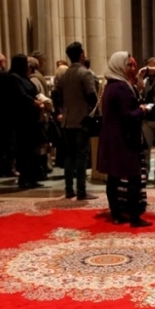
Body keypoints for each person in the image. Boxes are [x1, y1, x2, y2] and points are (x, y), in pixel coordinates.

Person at [98, 52, 154, 227]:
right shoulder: (121, 87)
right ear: (119, 66)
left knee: (113, 177)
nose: (133, 68)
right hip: (123, 139)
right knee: (134, 177)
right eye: (128, 65)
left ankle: (116, 214)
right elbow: (128, 115)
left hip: (111, 137)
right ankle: (135, 217)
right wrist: (143, 110)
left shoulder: (110, 85)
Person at [51, 41, 98, 200]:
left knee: (69, 156)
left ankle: (69, 190)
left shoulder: (64, 74)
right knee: (82, 156)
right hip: (82, 120)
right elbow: (92, 95)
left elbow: (55, 95)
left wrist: (62, 110)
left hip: (67, 120)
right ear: (81, 55)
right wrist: (93, 111)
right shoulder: (84, 73)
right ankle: (82, 191)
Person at [7, 54, 45, 189]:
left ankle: (33, 177)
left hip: (31, 119)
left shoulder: (24, 77)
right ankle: (25, 178)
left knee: (32, 149)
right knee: (24, 150)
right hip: (22, 120)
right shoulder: (13, 78)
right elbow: (21, 96)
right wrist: (35, 102)